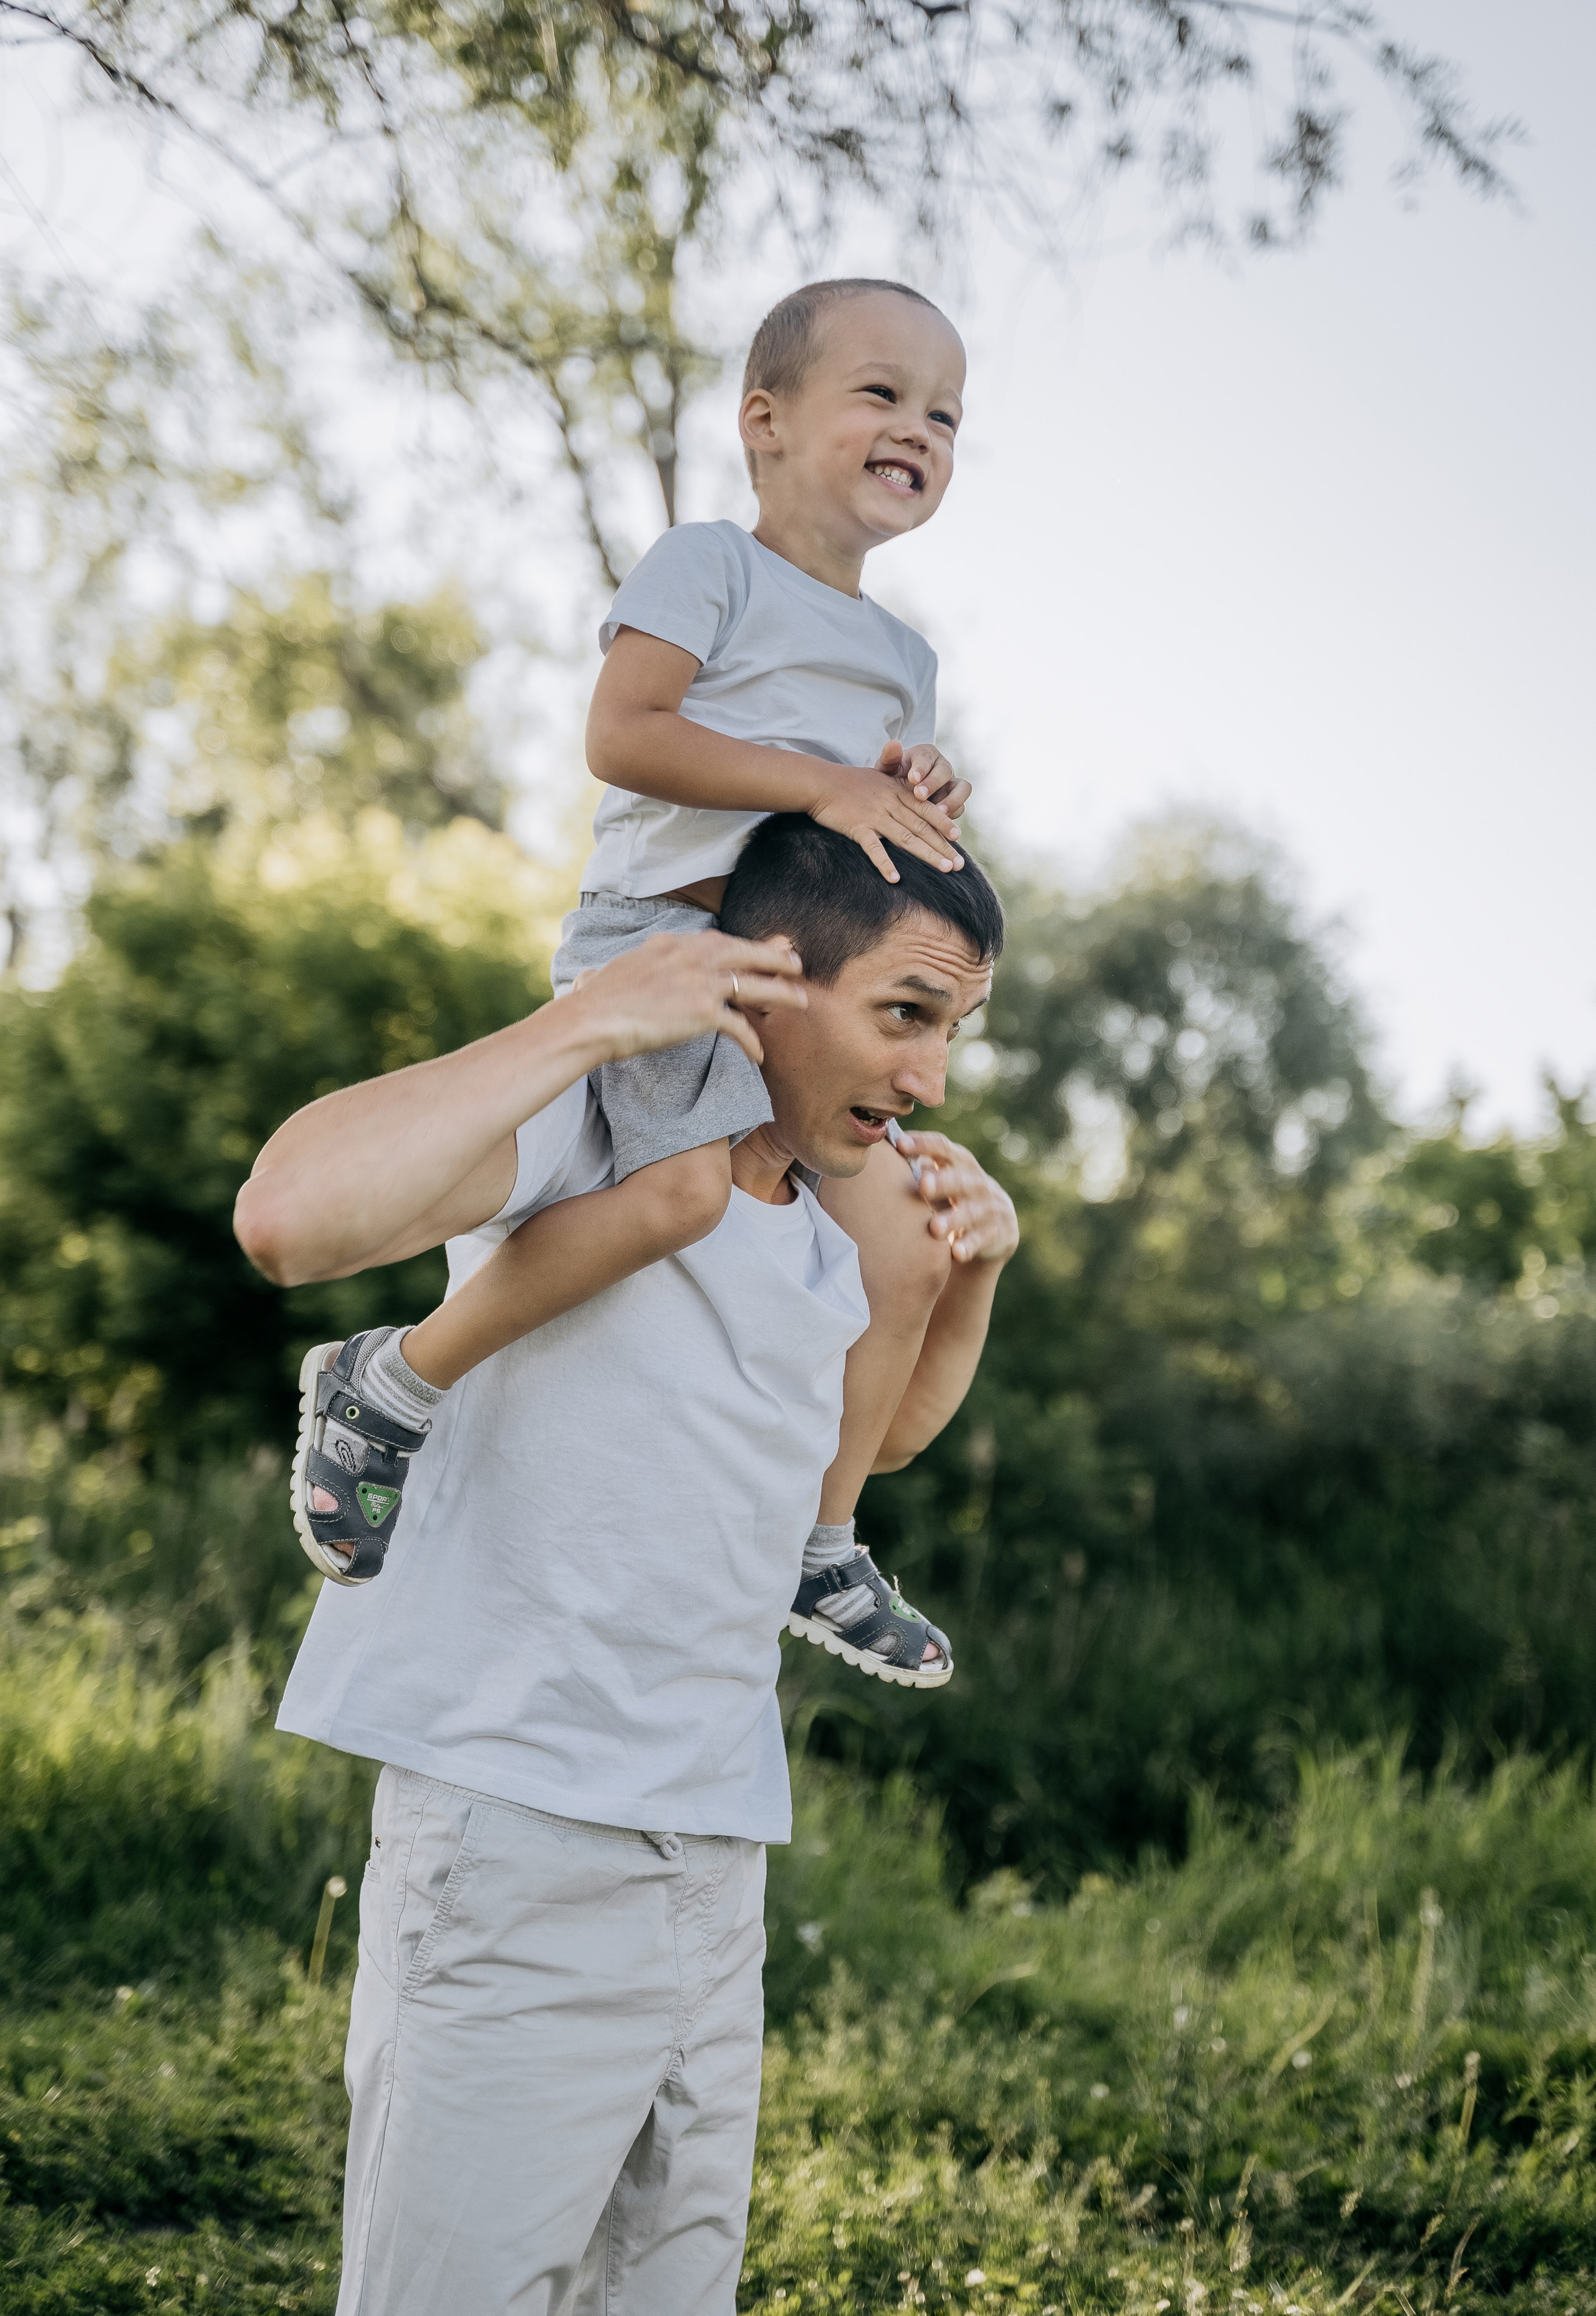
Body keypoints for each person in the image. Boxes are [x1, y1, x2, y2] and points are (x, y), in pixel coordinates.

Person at [238, 815, 1016, 2315]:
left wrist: (966, 1276)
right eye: (904, 1017)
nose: (929, 1077)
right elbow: (286, 1219)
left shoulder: (808, 1211)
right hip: (519, 1833)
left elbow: (877, 1444)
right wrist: (591, 1016)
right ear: (771, 982)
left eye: (953, 1032)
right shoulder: (598, 1131)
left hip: (707, 1852)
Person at [289, 277, 973, 1683]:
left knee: (907, 1236)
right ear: (765, 423)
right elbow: (627, 735)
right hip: (661, 951)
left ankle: (821, 1538)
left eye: (945, 414)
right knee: (671, 1194)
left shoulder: (905, 659)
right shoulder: (706, 565)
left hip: (790, 989)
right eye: (884, 394)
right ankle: (393, 1381)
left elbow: (857, 850)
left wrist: (912, 798)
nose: (919, 427)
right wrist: (828, 783)